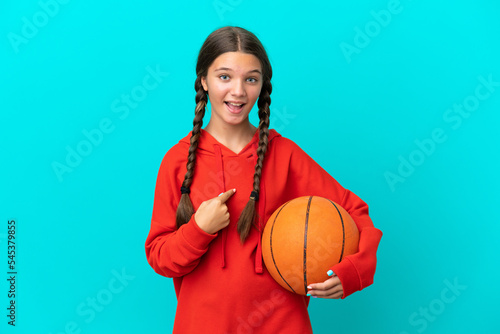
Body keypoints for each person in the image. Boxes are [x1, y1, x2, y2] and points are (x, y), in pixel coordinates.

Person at [145, 26, 383, 333]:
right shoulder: (177, 161)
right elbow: (160, 257)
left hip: (282, 323)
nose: (238, 91)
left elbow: (354, 211)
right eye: (225, 76)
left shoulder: (283, 154)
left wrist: (353, 270)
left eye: (251, 79)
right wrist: (199, 230)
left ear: (262, 86)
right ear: (203, 80)